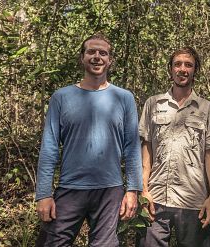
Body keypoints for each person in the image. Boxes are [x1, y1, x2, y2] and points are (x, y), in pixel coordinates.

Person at [35, 33, 142, 247]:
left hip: (109, 191)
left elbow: (132, 147)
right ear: (82, 57)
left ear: (109, 60)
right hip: (71, 187)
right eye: (91, 51)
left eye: (103, 53)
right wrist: (43, 194)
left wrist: (132, 190)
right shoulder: (61, 97)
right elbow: (49, 147)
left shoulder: (124, 98)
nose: (97, 57)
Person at [138, 47, 210, 247]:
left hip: (193, 200)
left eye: (188, 65)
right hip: (156, 198)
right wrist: (143, 190)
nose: (182, 69)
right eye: (177, 64)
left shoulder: (206, 108)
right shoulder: (153, 104)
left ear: (195, 71)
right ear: (170, 70)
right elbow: (147, 150)